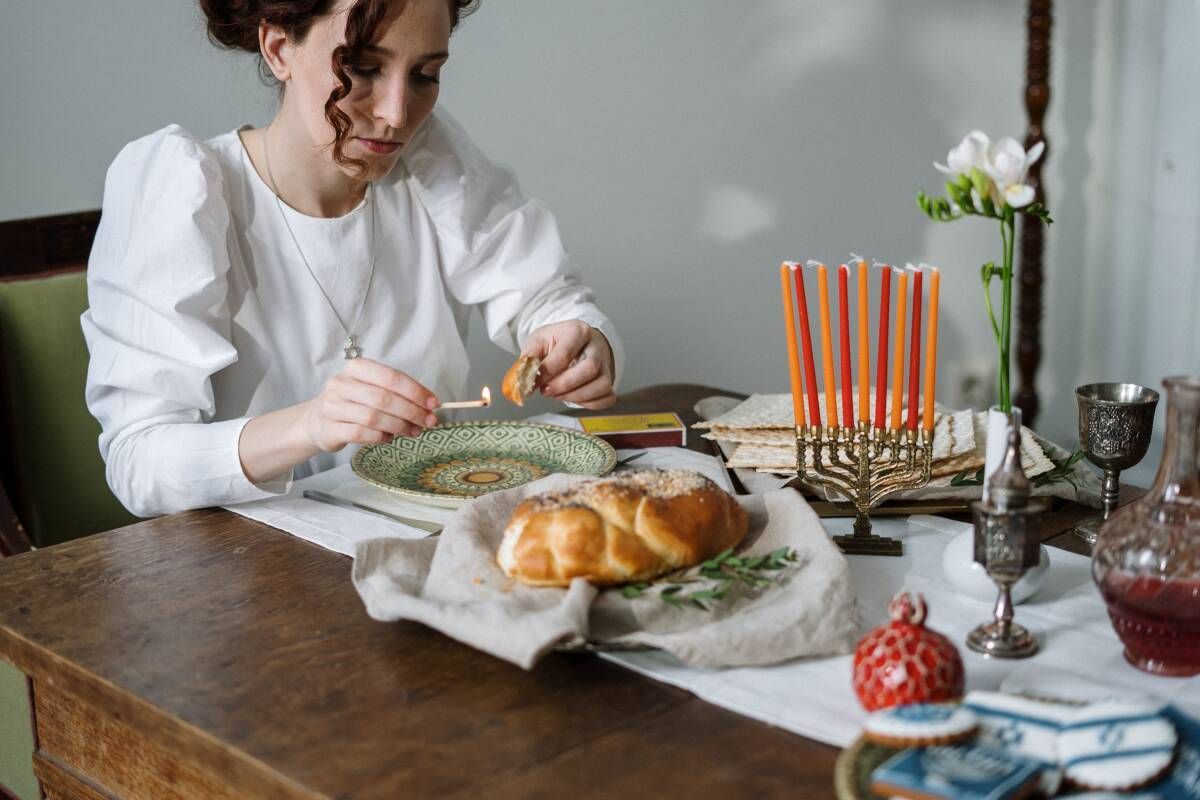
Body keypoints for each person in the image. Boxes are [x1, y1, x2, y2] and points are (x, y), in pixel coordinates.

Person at [82, 0, 623, 517]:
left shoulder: (429, 160)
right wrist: (308, 425)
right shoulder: (181, 188)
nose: (396, 113)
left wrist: (582, 345)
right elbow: (139, 462)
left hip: (431, 537)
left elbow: (550, 301)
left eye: (425, 75)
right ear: (278, 48)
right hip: (255, 562)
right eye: (363, 68)